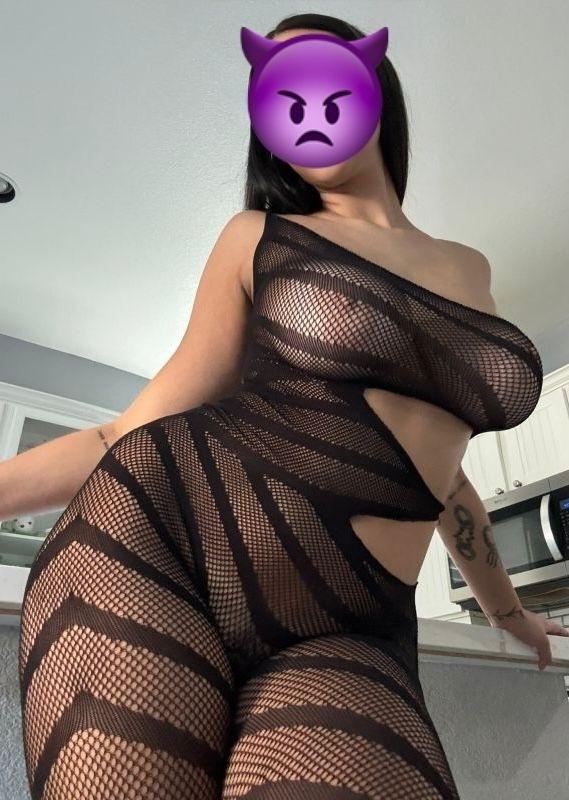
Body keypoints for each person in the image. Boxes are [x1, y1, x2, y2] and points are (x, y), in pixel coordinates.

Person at [15, 11, 549, 800]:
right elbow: (125, 430)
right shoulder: (257, 236)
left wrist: (504, 609)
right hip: (157, 541)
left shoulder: (469, 267)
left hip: (350, 624)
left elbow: (442, 474)